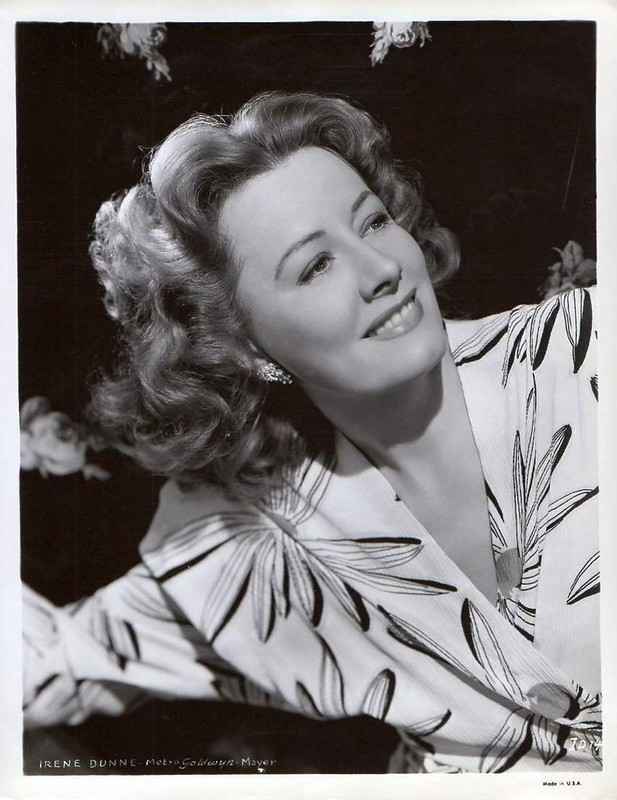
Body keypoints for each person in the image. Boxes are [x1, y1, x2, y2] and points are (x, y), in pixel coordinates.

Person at [22, 91, 600, 773]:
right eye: (315, 265)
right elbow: (58, 664)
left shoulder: (588, 352)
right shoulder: (251, 543)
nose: (382, 270)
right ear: (245, 347)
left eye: (373, 222)